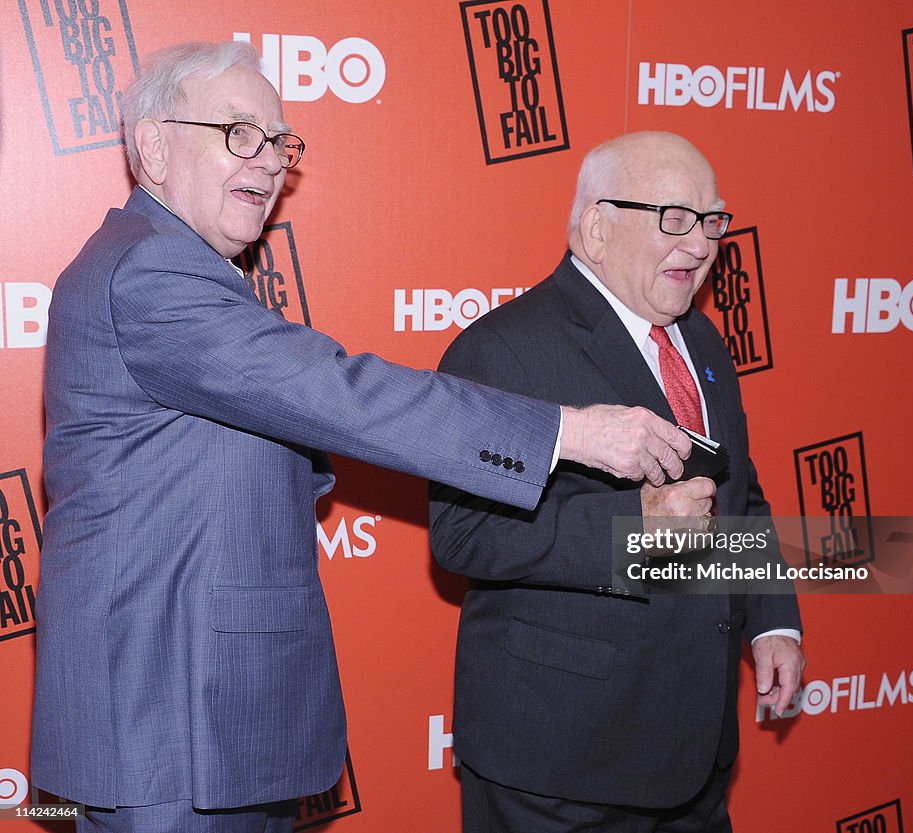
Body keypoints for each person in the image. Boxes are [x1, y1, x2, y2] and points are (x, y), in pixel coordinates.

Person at [30, 44, 695, 833]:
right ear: (154, 146)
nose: (272, 161)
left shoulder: (705, 352)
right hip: (178, 725)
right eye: (241, 134)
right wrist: (585, 460)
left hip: (692, 727)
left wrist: (775, 612)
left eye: (280, 142)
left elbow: (743, 509)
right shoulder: (149, 271)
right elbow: (354, 417)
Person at [429, 131, 805, 833]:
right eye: (673, 218)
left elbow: (737, 494)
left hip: (695, 755)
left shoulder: (706, 343)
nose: (699, 245)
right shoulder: (502, 347)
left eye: (712, 220)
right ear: (597, 228)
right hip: (558, 768)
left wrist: (771, 620)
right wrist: (633, 529)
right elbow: (462, 534)